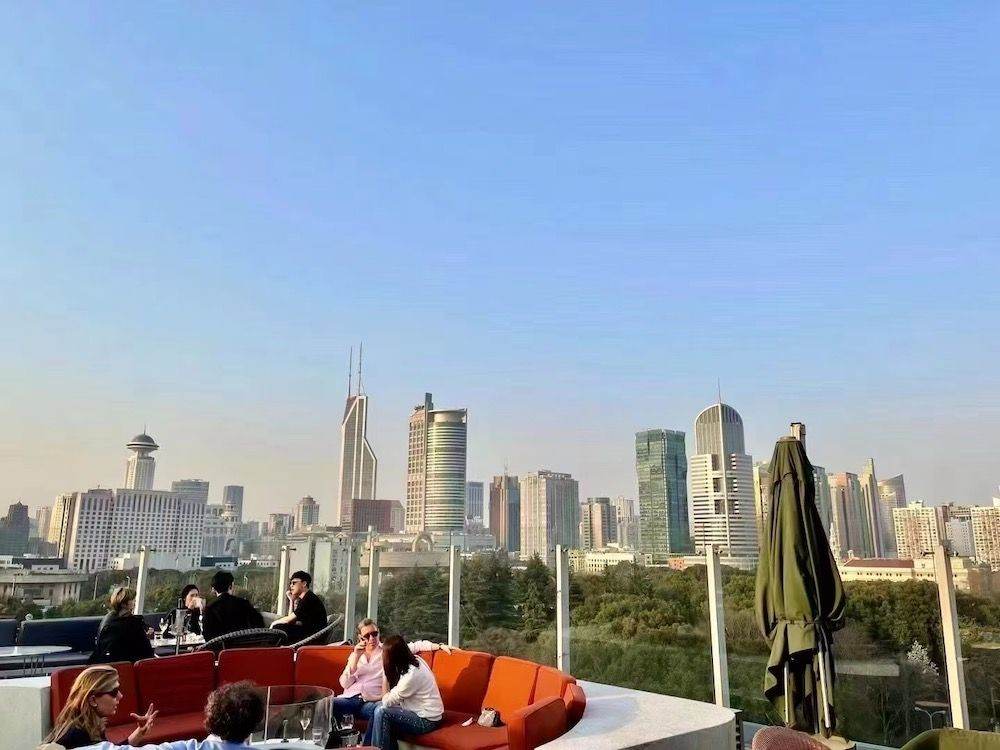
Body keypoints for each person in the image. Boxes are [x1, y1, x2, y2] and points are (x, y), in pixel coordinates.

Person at [53, 680, 265, 750]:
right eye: (114, 692)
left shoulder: (187, 748)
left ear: (210, 717)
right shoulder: (78, 732)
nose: (120, 696)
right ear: (256, 722)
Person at [330, 619, 451, 732]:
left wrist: (440, 646)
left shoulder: (388, 651)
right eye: (367, 636)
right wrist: (356, 657)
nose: (372, 638)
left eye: (374, 634)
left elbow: (417, 645)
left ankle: (368, 745)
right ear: (360, 638)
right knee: (327, 704)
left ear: (379, 633)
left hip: (371, 702)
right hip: (350, 699)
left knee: (381, 711)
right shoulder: (355, 655)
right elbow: (345, 684)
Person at [43, 665, 158, 749]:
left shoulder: (88, 725)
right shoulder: (78, 736)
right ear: (93, 700)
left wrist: (139, 733)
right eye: (114, 692)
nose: (120, 696)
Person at [363, 635, 444, 750]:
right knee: (377, 710)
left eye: (385, 655)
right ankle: (366, 748)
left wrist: (385, 675)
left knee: (382, 712)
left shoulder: (411, 675)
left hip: (427, 720)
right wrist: (439, 646)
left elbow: (386, 701)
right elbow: (417, 645)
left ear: (394, 657)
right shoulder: (412, 659)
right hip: (418, 711)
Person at [90, 588, 154, 664]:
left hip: (104, 662)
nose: (135, 601)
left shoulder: (108, 618)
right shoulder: (132, 623)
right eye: (132, 600)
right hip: (129, 664)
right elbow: (147, 651)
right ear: (123, 604)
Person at [201, 571, 263, 641]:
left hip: (220, 647)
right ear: (231, 586)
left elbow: (207, 636)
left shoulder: (210, 608)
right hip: (244, 645)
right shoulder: (244, 603)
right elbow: (259, 625)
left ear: (214, 589)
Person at [268, 570, 327, 641]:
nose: (291, 586)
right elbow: (292, 621)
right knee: (281, 627)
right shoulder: (305, 598)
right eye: (290, 583)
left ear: (304, 583)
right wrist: (292, 601)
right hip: (310, 633)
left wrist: (273, 624)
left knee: (278, 627)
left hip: (314, 637)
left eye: (294, 583)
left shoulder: (309, 599)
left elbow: (288, 620)